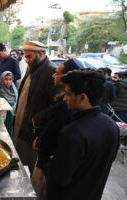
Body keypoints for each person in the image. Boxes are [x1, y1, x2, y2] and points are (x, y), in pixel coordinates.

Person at [47, 70, 119, 200]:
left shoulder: (71, 133)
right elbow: (108, 159)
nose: (64, 98)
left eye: (68, 94)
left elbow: (60, 178)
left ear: (83, 97)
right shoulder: (111, 125)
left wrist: (55, 160)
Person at [31, 58, 83, 198]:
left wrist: (40, 141)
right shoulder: (62, 99)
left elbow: (54, 132)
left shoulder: (66, 106)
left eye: (58, 73)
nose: (54, 76)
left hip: (50, 160)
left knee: (41, 190)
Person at [13, 41, 57, 174]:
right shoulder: (32, 66)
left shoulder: (51, 72)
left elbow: (56, 105)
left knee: (29, 165)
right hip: (21, 123)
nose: (26, 60)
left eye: (29, 56)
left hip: (33, 130)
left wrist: (36, 121)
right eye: (25, 56)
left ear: (40, 54)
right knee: (19, 159)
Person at [0, 71, 18, 138]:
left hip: (11, 116)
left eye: (10, 79)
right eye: (6, 79)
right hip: (2, 116)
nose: (8, 81)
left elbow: (16, 101)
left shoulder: (13, 89)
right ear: (2, 79)